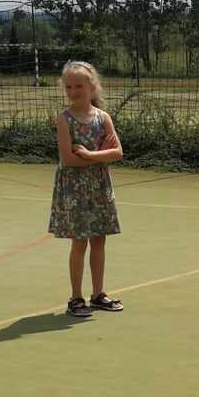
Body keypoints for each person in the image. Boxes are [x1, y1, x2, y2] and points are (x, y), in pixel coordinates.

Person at [49, 60, 125, 318]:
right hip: (74, 189)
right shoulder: (64, 119)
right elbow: (68, 159)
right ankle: (76, 298)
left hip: (99, 187)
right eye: (69, 86)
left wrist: (90, 154)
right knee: (79, 243)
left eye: (78, 85)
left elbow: (117, 152)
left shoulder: (103, 118)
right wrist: (99, 155)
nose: (73, 91)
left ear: (91, 86)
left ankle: (98, 295)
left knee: (99, 241)